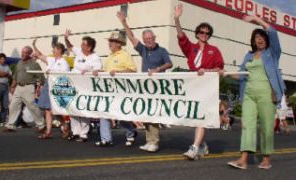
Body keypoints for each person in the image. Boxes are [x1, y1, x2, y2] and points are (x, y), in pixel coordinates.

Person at [227, 15, 285, 170]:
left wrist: (256, 19)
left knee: (267, 127)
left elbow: (273, 32)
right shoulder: (249, 56)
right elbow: (241, 74)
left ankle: (266, 159)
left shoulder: (272, 53)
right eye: (256, 37)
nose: (259, 39)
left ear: (266, 40)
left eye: (261, 37)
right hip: (249, 95)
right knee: (247, 125)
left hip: (267, 95)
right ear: (252, 41)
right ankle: (243, 159)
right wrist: (224, 73)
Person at [117, 11, 173, 152]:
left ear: (154, 37)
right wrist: (124, 22)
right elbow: (131, 37)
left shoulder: (162, 50)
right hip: (145, 87)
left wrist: (158, 69)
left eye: (150, 38)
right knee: (146, 114)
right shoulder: (143, 50)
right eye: (145, 38)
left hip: (157, 87)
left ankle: (154, 142)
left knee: (153, 113)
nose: (148, 40)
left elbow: (169, 64)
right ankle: (149, 141)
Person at [174, 4, 224, 159]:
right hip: (192, 85)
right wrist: (176, 18)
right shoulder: (191, 48)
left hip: (208, 86)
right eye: (202, 32)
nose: (204, 35)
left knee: (201, 117)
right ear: (197, 33)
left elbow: (220, 69)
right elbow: (181, 36)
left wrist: (207, 71)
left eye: (207, 33)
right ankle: (202, 144)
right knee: (195, 117)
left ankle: (194, 147)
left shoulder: (214, 50)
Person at [93, 31, 138, 147]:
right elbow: (106, 71)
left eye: (112, 41)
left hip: (121, 90)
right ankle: (106, 139)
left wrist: (118, 72)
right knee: (104, 113)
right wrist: (99, 71)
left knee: (122, 116)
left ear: (119, 44)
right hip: (108, 90)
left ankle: (131, 133)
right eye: (110, 41)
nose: (110, 43)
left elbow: (133, 71)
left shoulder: (125, 55)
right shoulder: (109, 57)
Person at [64, 30, 102, 142]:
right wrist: (66, 38)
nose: (81, 45)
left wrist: (91, 71)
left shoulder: (95, 57)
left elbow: (98, 70)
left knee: (83, 109)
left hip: (86, 86)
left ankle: (84, 134)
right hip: (74, 84)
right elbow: (70, 47)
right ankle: (75, 132)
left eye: (83, 44)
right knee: (73, 108)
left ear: (89, 47)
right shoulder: (79, 52)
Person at [33, 38, 70, 139]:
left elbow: (64, 76)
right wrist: (34, 45)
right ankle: (48, 132)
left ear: (59, 50)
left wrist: (52, 72)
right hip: (47, 85)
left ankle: (65, 124)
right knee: (47, 109)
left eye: (54, 49)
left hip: (57, 87)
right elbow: (39, 55)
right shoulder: (51, 59)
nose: (52, 50)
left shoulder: (63, 62)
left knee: (54, 110)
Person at [3, 46, 45, 132]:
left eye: (25, 52)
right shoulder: (19, 63)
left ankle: (41, 125)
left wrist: (39, 88)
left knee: (32, 107)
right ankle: (10, 126)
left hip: (29, 87)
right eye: (22, 52)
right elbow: (15, 76)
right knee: (13, 106)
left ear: (29, 54)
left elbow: (41, 77)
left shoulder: (34, 64)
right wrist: (12, 86)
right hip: (18, 87)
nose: (22, 54)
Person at [0, 53, 12, 127]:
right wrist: (6, 74)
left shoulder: (7, 66)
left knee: (5, 105)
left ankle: (2, 121)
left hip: (5, 86)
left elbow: (10, 75)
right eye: (2, 59)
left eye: (4, 59)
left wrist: (4, 74)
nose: (3, 60)